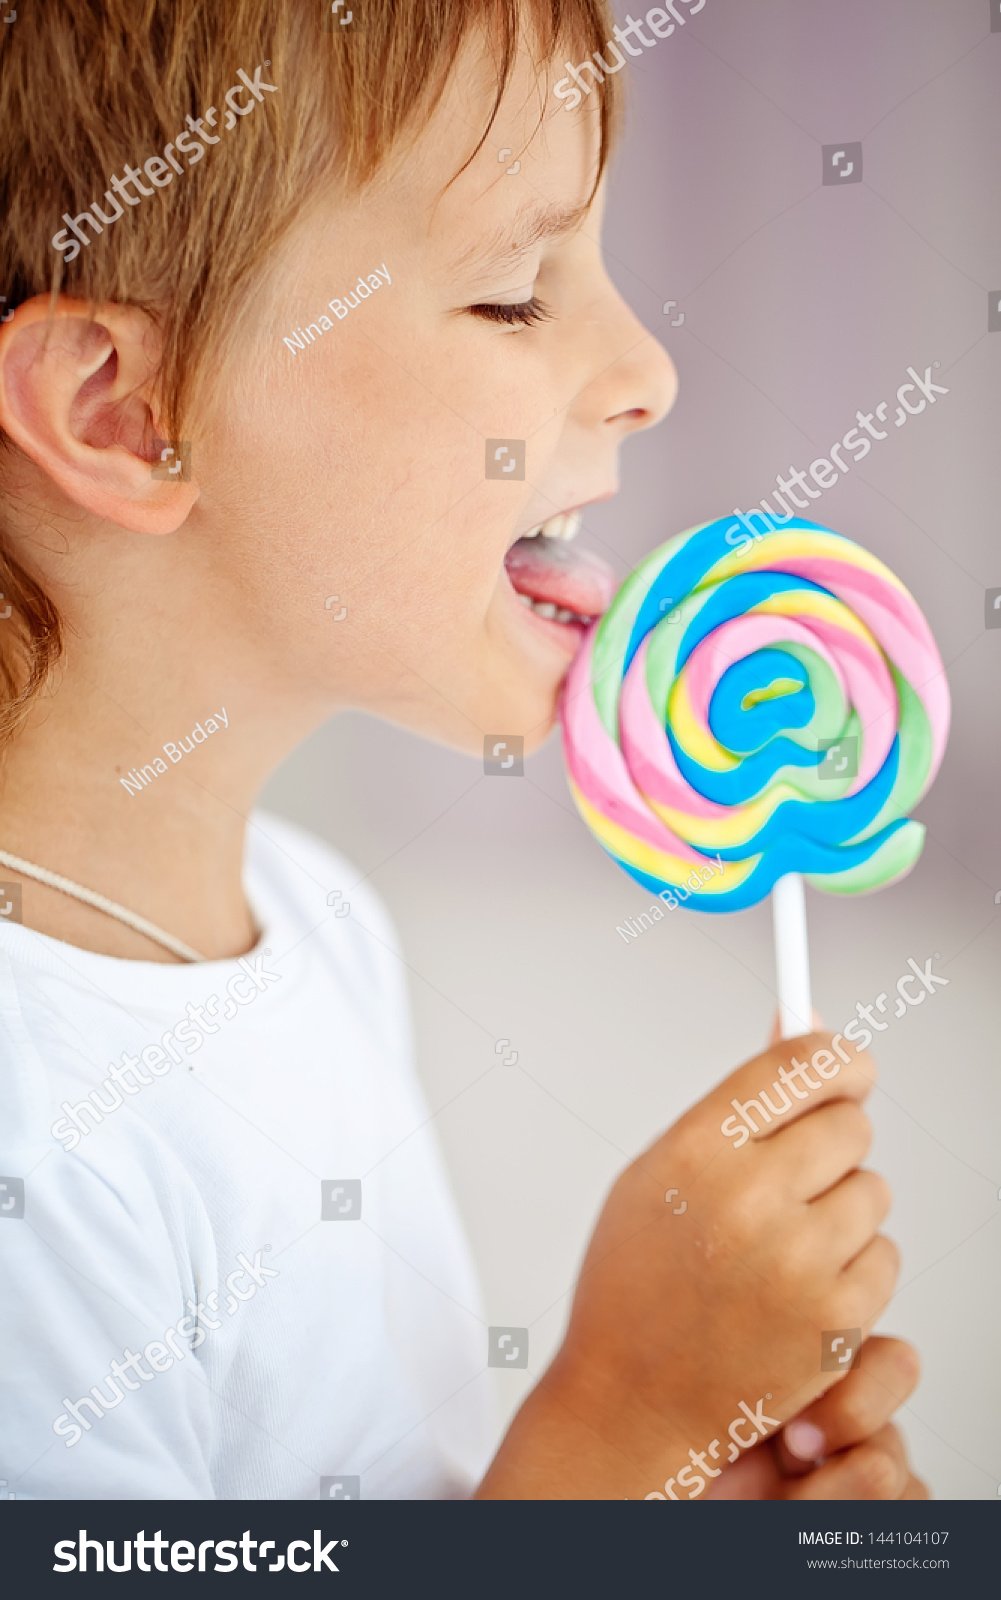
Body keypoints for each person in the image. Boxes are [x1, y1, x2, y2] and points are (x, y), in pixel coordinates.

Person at [0, 0, 925, 1500]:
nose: (647, 369)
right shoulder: (31, 1148)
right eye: (512, 295)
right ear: (121, 410)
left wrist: (669, 1490)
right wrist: (617, 1416)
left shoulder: (313, 921)